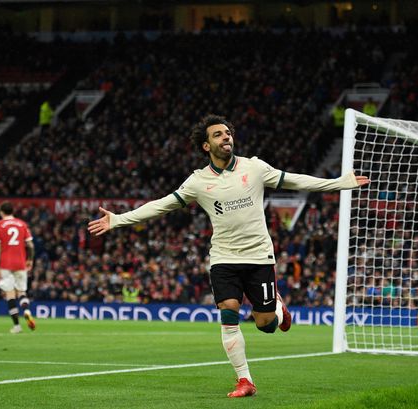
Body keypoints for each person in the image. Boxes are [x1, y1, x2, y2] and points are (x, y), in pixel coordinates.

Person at [88, 114, 370, 398]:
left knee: (266, 326)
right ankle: (244, 380)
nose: (226, 137)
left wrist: (339, 182)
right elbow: (162, 205)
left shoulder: (255, 167)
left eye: (227, 133)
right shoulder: (198, 181)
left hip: (259, 257)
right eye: (218, 135)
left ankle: (276, 309)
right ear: (206, 146)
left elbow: (295, 181)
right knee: (229, 313)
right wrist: (119, 219)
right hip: (223, 258)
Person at [0, 201, 36, 333]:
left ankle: (17, 326)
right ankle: (27, 311)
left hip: (5, 263)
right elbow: (31, 245)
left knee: (10, 294)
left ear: (1, 212)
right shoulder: (22, 224)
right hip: (21, 262)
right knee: (21, 292)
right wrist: (30, 260)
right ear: (12, 211)